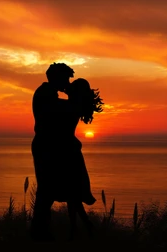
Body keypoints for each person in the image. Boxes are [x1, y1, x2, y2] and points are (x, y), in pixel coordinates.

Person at [30, 62, 74, 241]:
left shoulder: (48, 93)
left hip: (48, 145)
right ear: (57, 78)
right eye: (66, 79)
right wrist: (76, 99)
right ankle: (39, 233)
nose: (67, 83)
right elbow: (60, 110)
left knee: (47, 190)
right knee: (46, 191)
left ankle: (41, 231)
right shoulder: (45, 94)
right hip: (45, 146)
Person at [61, 78, 103, 240]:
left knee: (72, 191)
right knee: (73, 191)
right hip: (70, 149)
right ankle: (81, 226)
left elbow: (57, 105)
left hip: (67, 151)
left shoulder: (69, 106)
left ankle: (79, 226)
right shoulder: (73, 105)